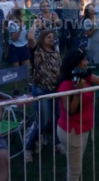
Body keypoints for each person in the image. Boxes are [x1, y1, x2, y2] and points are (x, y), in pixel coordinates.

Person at [57, 49, 99, 181]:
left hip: (83, 128)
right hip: (72, 130)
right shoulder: (65, 84)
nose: (87, 62)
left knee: (74, 164)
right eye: (84, 60)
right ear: (76, 64)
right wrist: (78, 91)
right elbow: (71, 110)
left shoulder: (84, 74)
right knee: (75, 170)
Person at [25, 29, 63, 162]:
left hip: (55, 90)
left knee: (58, 119)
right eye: (49, 37)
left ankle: (58, 144)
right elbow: (30, 37)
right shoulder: (37, 51)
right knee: (42, 122)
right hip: (41, 90)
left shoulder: (56, 52)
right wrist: (35, 23)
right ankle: (28, 148)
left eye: (53, 37)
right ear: (42, 39)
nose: (52, 39)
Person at [81, 4, 99, 77]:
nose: (92, 10)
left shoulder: (98, 18)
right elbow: (88, 34)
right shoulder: (86, 21)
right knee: (92, 60)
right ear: (87, 11)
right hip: (92, 43)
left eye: (93, 8)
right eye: (90, 9)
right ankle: (92, 76)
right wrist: (95, 26)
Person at [7, 9, 30, 96]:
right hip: (15, 47)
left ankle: (27, 85)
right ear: (17, 16)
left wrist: (29, 29)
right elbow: (14, 38)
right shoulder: (12, 24)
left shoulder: (26, 23)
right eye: (21, 15)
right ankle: (15, 88)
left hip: (24, 46)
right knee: (15, 70)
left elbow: (27, 37)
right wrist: (20, 28)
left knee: (26, 68)